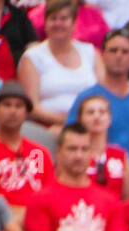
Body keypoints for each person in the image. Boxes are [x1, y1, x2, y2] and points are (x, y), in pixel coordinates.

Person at [66, 28, 129, 161]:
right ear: (102, 55)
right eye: (113, 50)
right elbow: (70, 137)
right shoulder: (86, 97)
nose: (119, 56)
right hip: (98, 169)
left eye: (125, 52)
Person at [24, 121, 126, 231]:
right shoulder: (40, 199)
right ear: (58, 152)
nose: (79, 156)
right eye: (72, 149)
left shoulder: (110, 202)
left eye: (84, 149)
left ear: (91, 152)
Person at [17, 0, 101, 132]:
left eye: (63, 18)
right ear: (45, 24)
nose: (58, 23)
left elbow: (103, 94)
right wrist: (67, 120)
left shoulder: (90, 52)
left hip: (90, 125)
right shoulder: (33, 57)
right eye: (53, 18)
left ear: (74, 23)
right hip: (48, 127)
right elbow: (31, 106)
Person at [0, 82, 54, 224]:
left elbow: (52, 196)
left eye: (19, 106)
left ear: (26, 113)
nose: (13, 111)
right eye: (7, 104)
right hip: (1, 222)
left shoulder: (40, 152)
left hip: (38, 220)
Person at [76, 93, 129, 198]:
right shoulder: (76, 154)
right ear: (80, 119)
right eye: (90, 112)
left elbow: (127, 198)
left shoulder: (120, 155)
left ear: (110, 118)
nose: (97, 116)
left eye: (102, 112)